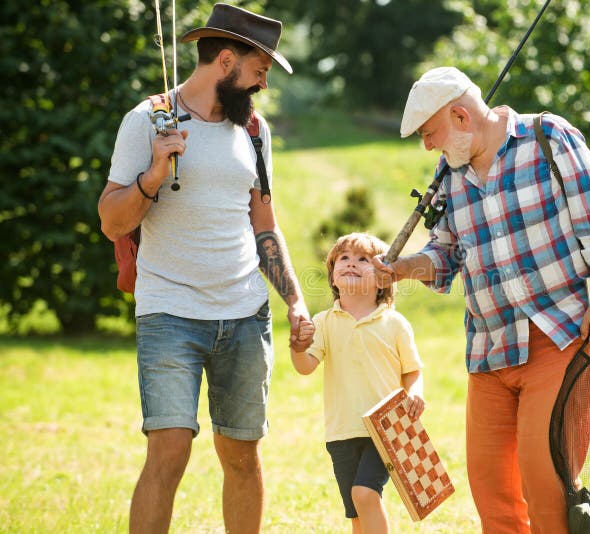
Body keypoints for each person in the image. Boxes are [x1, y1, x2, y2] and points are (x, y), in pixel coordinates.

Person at [371, 67, 590, 534]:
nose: (427, 146)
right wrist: (404, 267)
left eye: (430, 133)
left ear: (461, 115)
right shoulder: (450, 173)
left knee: (546, 485)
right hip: (489, 350)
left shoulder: (548, 137)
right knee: (492, 494)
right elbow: (446, 255)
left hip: (560, 337)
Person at [97, 5, 311, 533]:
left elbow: (265, 226)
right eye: (259, 70)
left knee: (242, 456)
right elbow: (109, 220)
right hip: (169, 312)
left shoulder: (254, 132)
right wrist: (153, 174)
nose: (262, 83)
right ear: (226, 60)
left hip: (243, 314)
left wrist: (295, 300)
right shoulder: (147, 120)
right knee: (167, 455)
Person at [290, 232, 425, 534]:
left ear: (383, 280)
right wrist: (297, 347)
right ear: (333, 277)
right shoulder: (324, 321)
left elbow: (413, 370)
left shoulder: (394, 323)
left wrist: (415, 393)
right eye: (344, 259)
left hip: (386, 428)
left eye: (363, 259)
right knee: (356, 514)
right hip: (341, 431)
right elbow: (306, 366)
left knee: (365, 494)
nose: (351, 263)